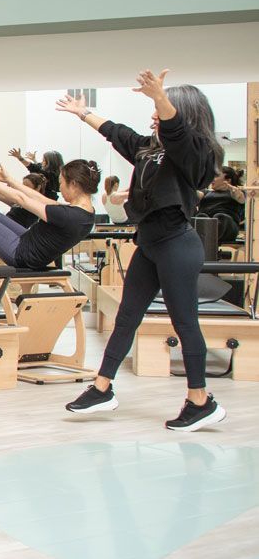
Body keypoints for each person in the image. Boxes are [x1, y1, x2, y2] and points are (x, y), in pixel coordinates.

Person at [57, 71, 225, 431]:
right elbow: (118, 133)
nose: (153, 116)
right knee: (127, 317)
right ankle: (102, 388)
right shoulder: (151, 150)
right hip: (149, 243)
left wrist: (160, 98)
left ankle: (200, 400)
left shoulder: (193, 152)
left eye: (160, 109)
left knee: (184, 323)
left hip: (177, 245)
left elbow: (177, 130)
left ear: (184, 113)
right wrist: (82, 114)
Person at [197, 165, 245, 243]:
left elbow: (241, 199)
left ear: (228, 180)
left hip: (227, 225)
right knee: (201, 217)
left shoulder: (236, 193)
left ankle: (207, 236)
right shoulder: (206, 192)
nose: (212, 179)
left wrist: (237, 195)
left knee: (221, 217)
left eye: (216, 176)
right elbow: (195, 194)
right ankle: (207, 236)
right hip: (207, 223)